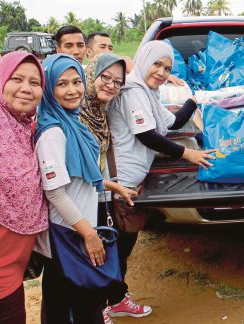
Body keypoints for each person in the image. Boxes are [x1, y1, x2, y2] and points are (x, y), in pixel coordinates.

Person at [106, 40, 215, 317]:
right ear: (144, 60)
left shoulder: (149, 92)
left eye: (167, 68)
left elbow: (172, 123)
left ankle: (114, 298)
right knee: (117, 245)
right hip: (120, 181)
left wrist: (194, 101)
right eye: (157, 64)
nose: (162, 72)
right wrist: (186, 154)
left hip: (133, 179)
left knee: (125, 242)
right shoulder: (132, 91)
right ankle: (106, 303)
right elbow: (147, 135)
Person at [35, 53, 124, 323]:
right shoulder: (53, 133)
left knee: (70, 305)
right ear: (48, 88)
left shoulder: (71, 122)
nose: (72, 90)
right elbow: (55, 192)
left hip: (76, 226)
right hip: (67, 233)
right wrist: (89, 235)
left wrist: (109, 185)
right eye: (61, 84)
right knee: (77, 308)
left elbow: (77, 178)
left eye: (77, 81)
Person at [79, 53, 152, 320]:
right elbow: (77, 171)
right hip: (84, 201)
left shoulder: (101, 109)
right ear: (90, 76)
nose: (111, 85)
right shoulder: (78, 113)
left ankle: (116, 299)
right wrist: (114, 187)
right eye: (105, 77)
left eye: (117, 82)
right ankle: (98, 310)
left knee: (115, 250)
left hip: (104, 193)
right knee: (94, 257)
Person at [0, 52, 48, 324]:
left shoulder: (25, 130)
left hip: (12, 273)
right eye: (17, 79)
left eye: (35, 83)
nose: (26, 88)